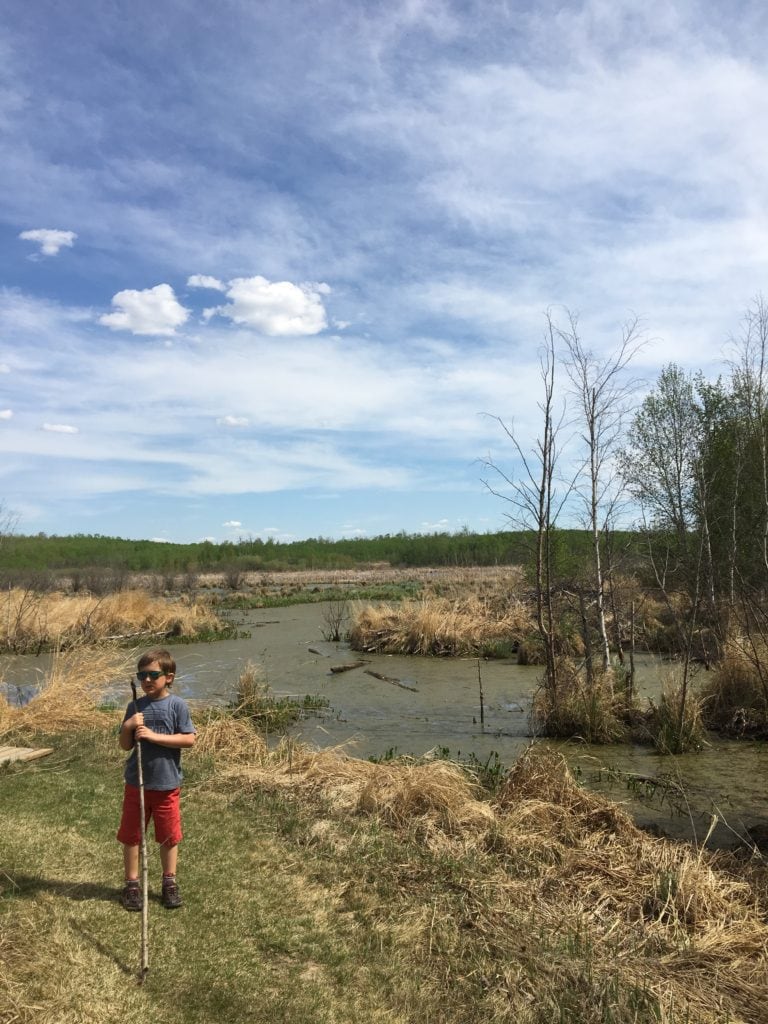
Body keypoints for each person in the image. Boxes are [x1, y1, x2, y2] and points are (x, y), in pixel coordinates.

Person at [117, 648, 196, 911]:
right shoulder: (135, 706)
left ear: (169, 677)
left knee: (169, 836)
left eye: (153, 674)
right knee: (131, 835)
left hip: (166, 785)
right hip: (136, 784)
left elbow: (188, 739)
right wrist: (129, 726)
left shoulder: (177, 706)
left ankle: (169, 882)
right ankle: (132, 885)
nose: (147, 680)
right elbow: (125, 746)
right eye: (142, 675)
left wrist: (153, 736)